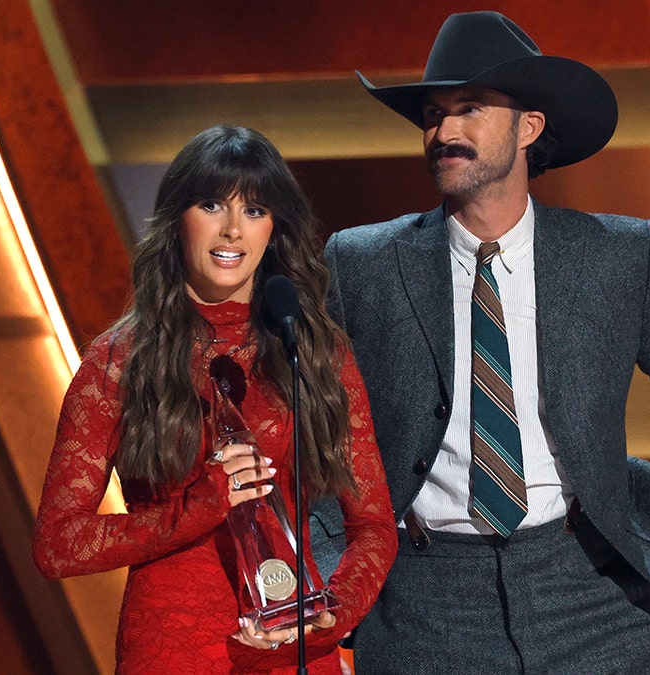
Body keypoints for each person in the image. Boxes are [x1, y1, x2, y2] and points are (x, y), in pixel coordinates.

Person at [313, 11, 650, 674]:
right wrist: (335, 564)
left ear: (529, 128)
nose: (445, 132)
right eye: (434, 115)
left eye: (470, 109)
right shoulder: (362, 262)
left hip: (593, 591)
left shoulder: (614, 255)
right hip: (423, 604)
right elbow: (298, 419)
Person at [33, 125, 397, 674]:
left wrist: (333, 613)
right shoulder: (118, 361)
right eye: (211, 206)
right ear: (177, 219)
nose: (232, 229)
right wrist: (196, 507)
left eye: (254, 210)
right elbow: (58, 544)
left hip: (293, 647)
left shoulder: (313, 350)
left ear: (275, 228)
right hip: (173, 648)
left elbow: (373, 527)